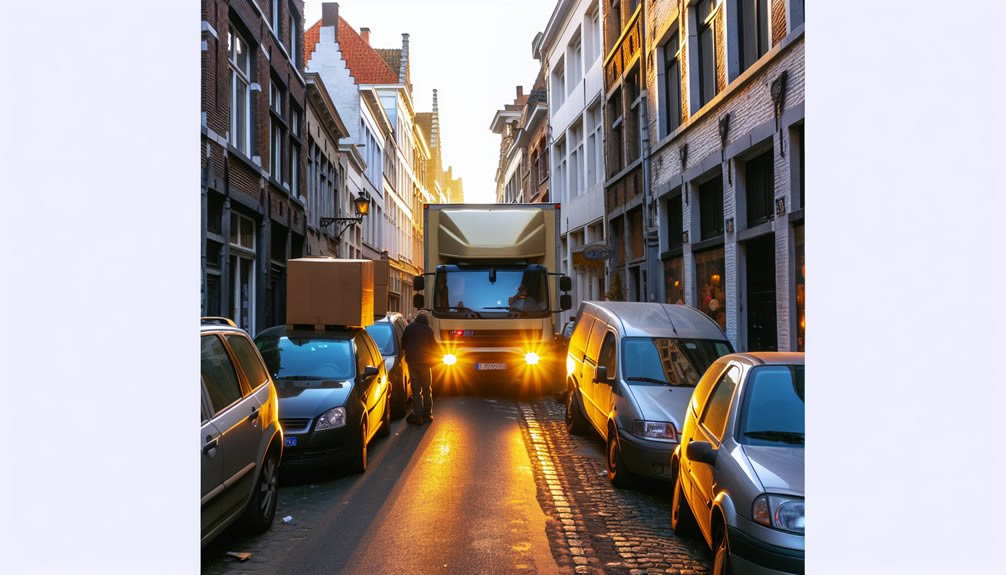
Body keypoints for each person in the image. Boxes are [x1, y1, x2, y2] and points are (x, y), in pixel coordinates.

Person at [401, 311, 439, 424]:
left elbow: (403, 343)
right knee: (427, 389)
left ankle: (418, 416)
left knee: (416, 390)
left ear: (416, 318)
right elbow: (434, 347)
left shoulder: (409, 328)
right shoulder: (428, 330)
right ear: (426, 320)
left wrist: (408, 352)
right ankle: (428, 414)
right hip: (425, 364)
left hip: (412, 363)